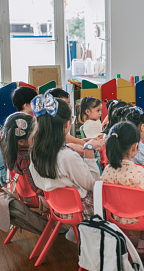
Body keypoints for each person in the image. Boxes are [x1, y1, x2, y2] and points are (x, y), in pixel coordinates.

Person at [29, 92, 104, 220]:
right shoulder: (67, 157)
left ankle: (72, 232)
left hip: (56, 207)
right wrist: (89, 151)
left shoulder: (35, 151)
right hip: (80, 210)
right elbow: (93, 184)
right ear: (66, 125)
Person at [101, 121, 144, 259]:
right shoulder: (139, 172)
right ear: (134, 147)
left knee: (143, 208)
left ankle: (140, 245)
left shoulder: (106, 172)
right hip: (140, 219)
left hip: (116, 217)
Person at [0, 86, 37, 186]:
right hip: (27, 172)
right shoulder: (28, 123)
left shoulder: (11, 120)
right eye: (34, 102)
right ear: (26, 105)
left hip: (13, 174)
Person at [0, 112, 40, 194]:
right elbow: (35, 189)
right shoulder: (25, 156)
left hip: (23, 195)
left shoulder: (10, 149)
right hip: (34, 198)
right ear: (21, 141)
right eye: (35, 135)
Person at [47, 87, 91, 155]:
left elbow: (73, 140)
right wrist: (91, 145)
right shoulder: (57, 127)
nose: (71, 107)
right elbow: (74, 141)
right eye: (67, 104)